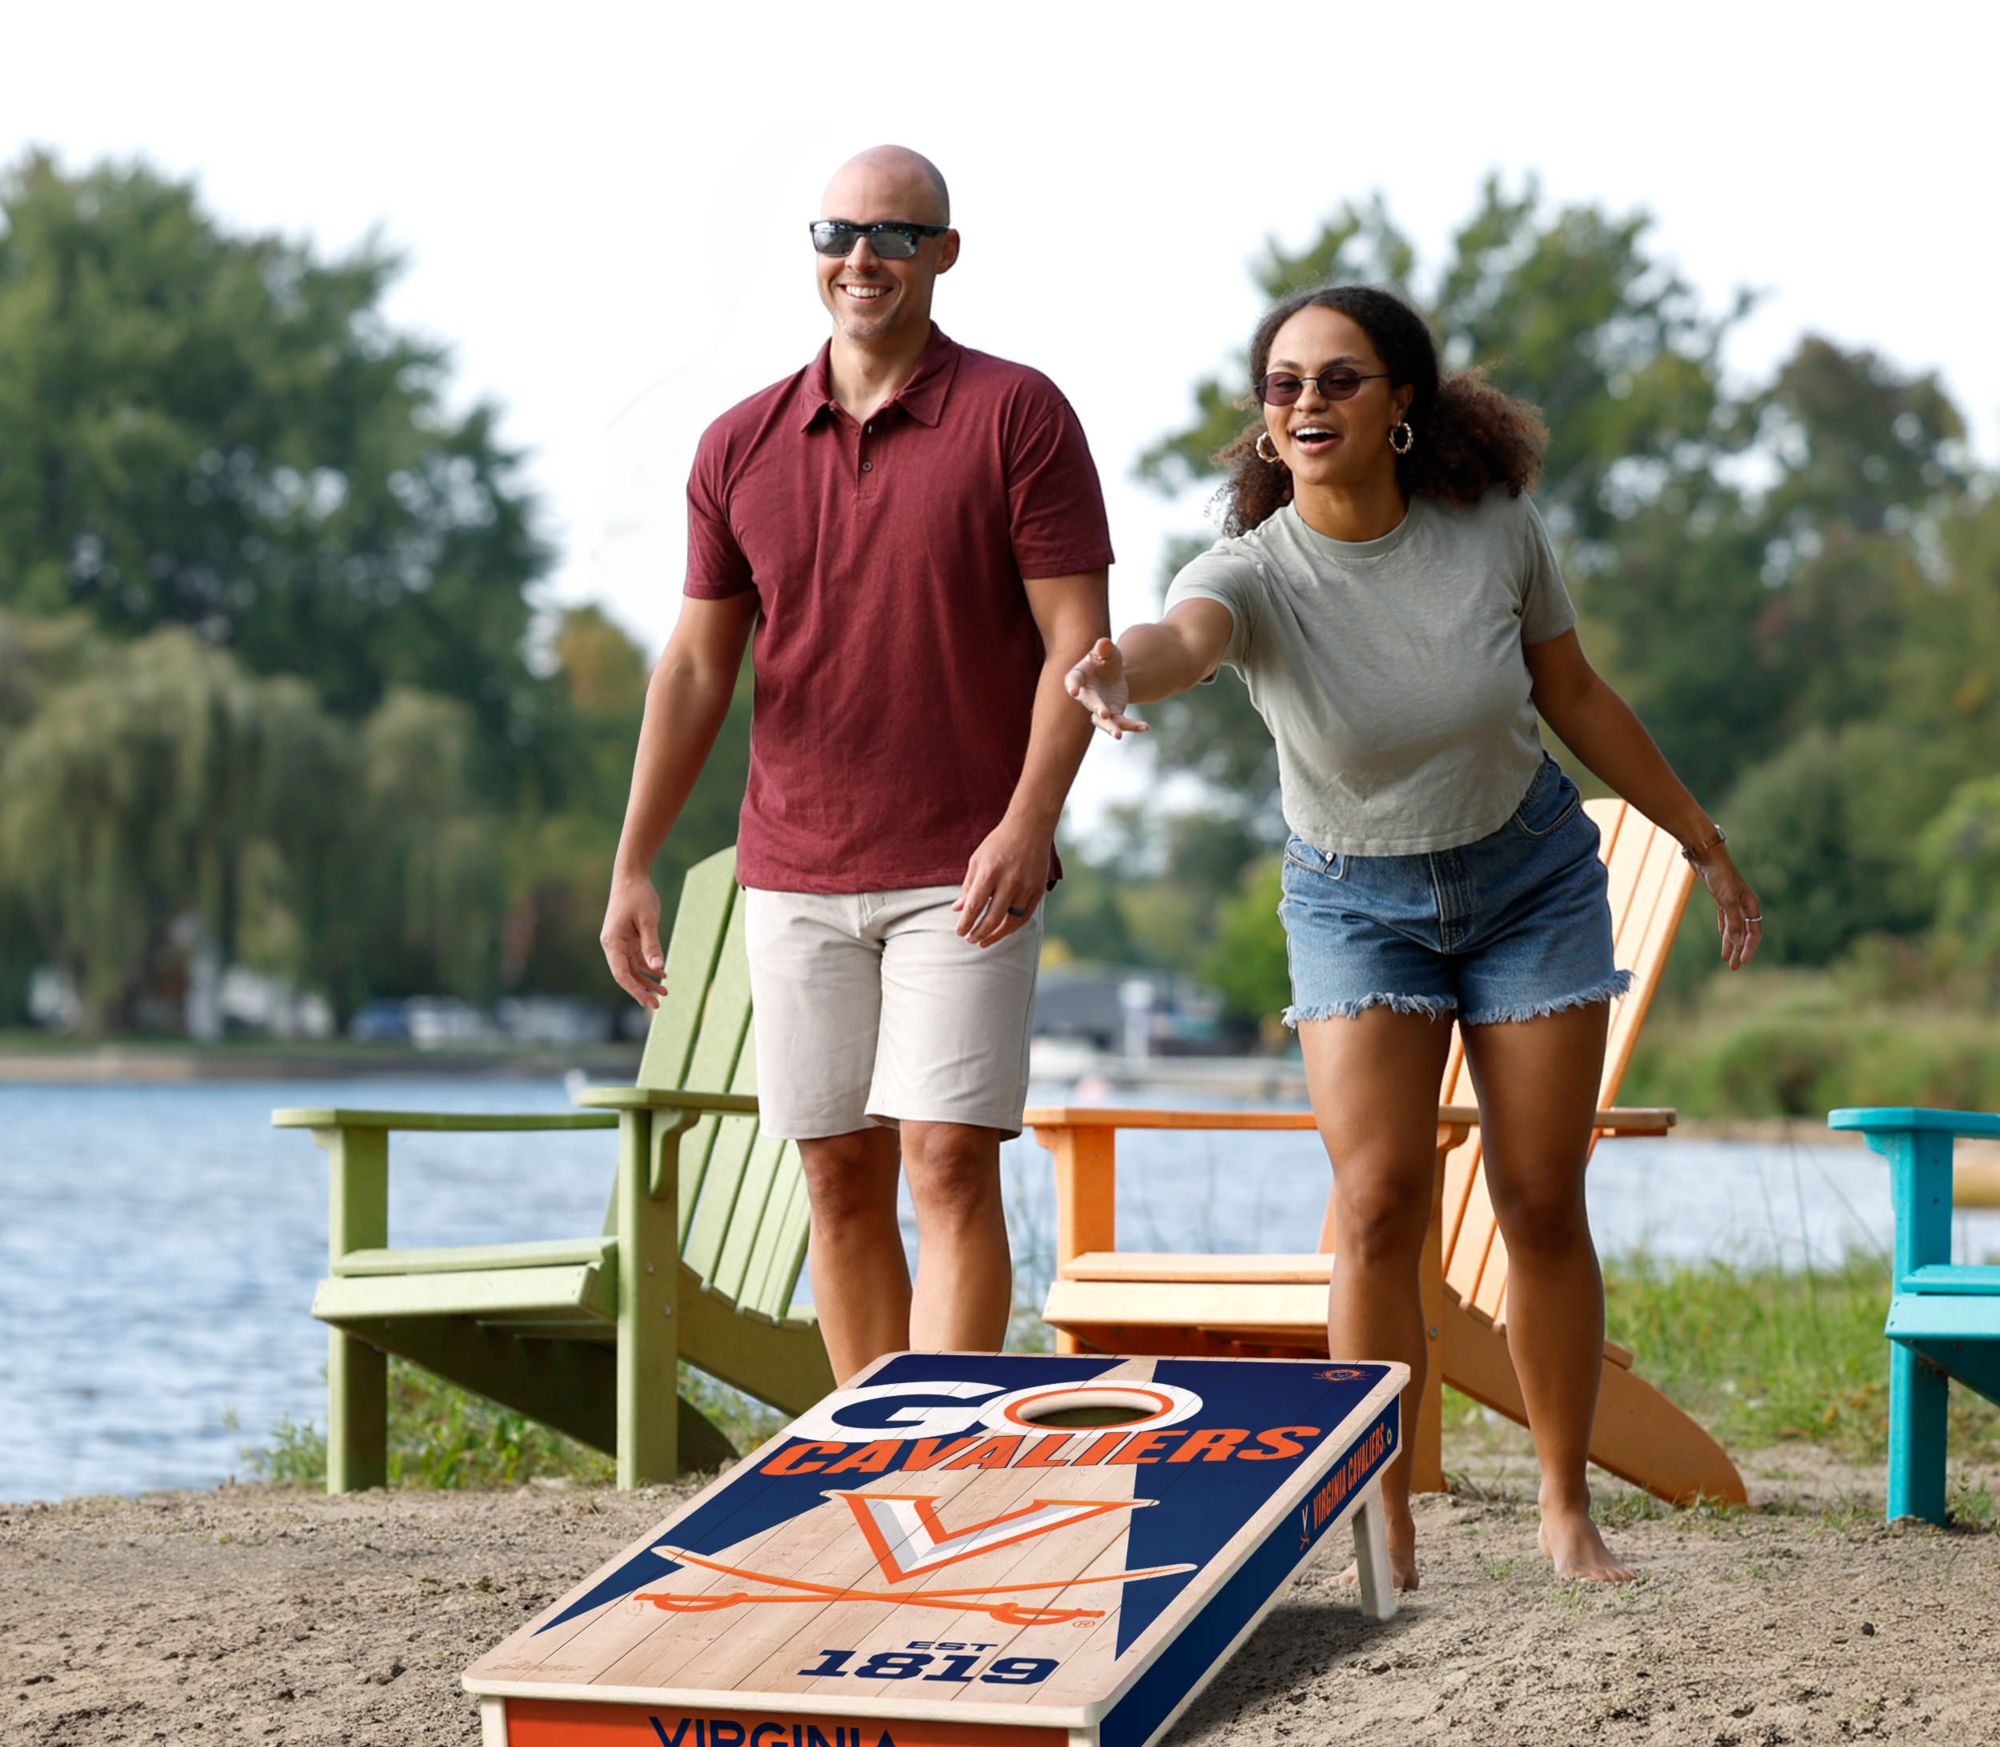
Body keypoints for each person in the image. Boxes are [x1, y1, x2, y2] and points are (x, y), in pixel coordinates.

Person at [1064, 284, 1761, 1586]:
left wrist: (1696, 834)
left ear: (1400, 405)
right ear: (1265, 425)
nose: (1309, 403)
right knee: (1379, 1203)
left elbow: (1574, 693)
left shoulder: (1492, 530)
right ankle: (1380, 1515)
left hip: (1531, 884)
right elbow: (1181, 639)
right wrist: (1116, 671)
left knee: (1541, 1201)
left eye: (1338, 378)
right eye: (1284, 385)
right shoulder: (1252, 572)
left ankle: (1564, 1511)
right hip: (1352, 903)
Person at [599, 146, 1112, 1386]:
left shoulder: (1015, 414)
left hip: (966, 864)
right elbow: (691, 671)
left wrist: (1027, 821)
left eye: (893, 234)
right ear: (815, 250)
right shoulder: (738, 444)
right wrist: (631, 864)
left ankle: (945, 1460)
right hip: (796, 865)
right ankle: (871, 1461)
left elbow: (1077, 648)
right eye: (839, 232)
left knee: (944, 1156)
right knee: (835, 1170)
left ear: (944, 251)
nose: (862, 258)